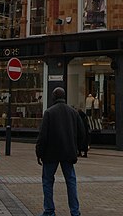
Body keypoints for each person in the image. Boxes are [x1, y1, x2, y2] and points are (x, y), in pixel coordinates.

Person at [36, 87, 85, 216]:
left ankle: (49, 211)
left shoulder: (49, 113)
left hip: (50, 154)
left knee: (47, 181)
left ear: (53, 97)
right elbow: (82, 133)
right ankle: (75, 211)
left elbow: (43, 135)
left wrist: (39, 153)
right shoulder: (73, 112)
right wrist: (78, 149)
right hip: (68, 152)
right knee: (71, 181)